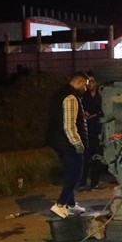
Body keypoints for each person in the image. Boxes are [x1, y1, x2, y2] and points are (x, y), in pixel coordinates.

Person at [46, 71, 89, 217]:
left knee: (68, 172)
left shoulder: (59, 94)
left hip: (58, 141)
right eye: (85, 85)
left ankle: (71, 204)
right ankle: (60, 204)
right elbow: (69, 125)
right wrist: (78, 144)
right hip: (68, 143)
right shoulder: (71, 97)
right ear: (80, 83)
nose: (86, 88)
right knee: (75, 174)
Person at [81, 72, 105, 191]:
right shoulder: (83, 97)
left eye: (92, 81)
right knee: (85, 157)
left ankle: (95, 183)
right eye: (88, 81)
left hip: (98, 128)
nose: (90, 84)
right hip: (86, 129)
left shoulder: (100, 97)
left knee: (97, 157)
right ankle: (83, 183)